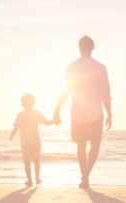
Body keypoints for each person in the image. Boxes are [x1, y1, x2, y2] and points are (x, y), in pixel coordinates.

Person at [53, 35, 112, 188]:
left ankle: (83, 177)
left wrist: (56, 112)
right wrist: (110, 115)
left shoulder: (71, 67)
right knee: (95, 146)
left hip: (77, 113)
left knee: (80, 147)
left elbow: (64, 93)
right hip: (96, 113)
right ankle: (86, 176)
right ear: (92, 48)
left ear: (79, 48)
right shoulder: (101, 67)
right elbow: (105, 94)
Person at [10, 93, 55, 187]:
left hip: (25, 143)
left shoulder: (20, 115)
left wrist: (12, 135)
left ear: (22, 103)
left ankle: (29, 181)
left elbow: (16, 128)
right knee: (36, 160)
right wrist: (54, 121)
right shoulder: (36, 112)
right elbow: (46, 123)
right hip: (35, 141)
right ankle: (37, 179)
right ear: (33, 102)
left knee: (27, 163)